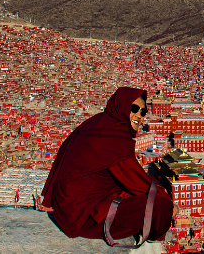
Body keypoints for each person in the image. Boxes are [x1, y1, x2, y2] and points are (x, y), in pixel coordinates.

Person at [41, 87, 176, 246]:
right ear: (121, 106)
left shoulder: (99, 123)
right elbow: (137, 182)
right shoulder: (114, 138)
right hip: (81, 218)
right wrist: (168, 201)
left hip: (68, 208)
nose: (139, 115)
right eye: (134, 109)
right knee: (161, 207)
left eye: (143, 112)